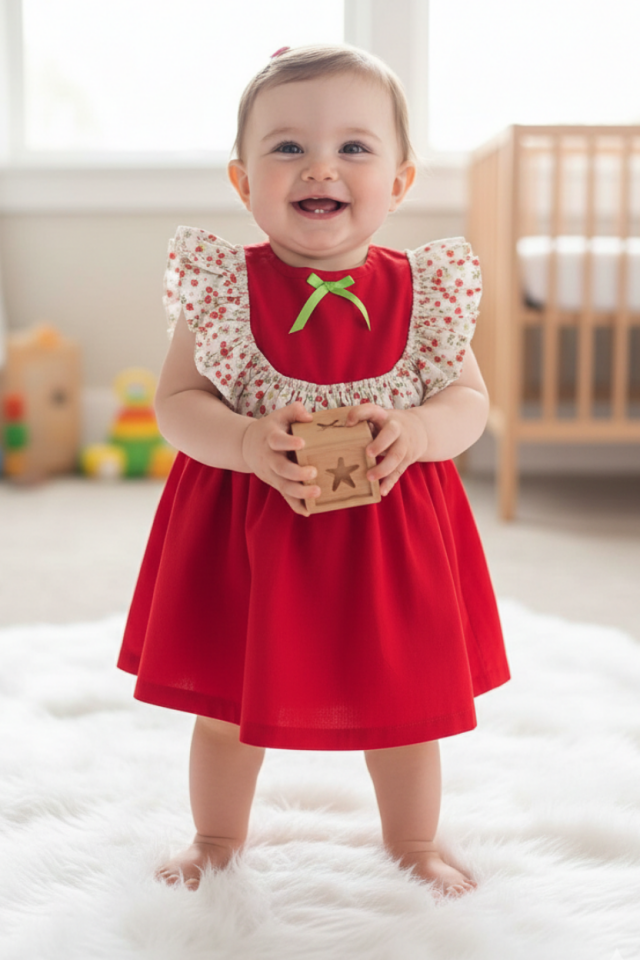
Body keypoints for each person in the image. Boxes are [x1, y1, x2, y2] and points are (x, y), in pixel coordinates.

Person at [117, 43, 510, 899]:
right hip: (250, 537)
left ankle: (414, 842)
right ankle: (216, 836)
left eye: (353, 148)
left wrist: (417, 428)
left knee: (405, 710)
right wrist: (245, 442)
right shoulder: (224, 290)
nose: (320, 167)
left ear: (399, 182)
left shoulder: (425, 292)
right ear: (242, 181)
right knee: (228, 708)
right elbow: (178, 403)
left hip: (388, 537)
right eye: (288, 147)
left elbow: (469, 402)